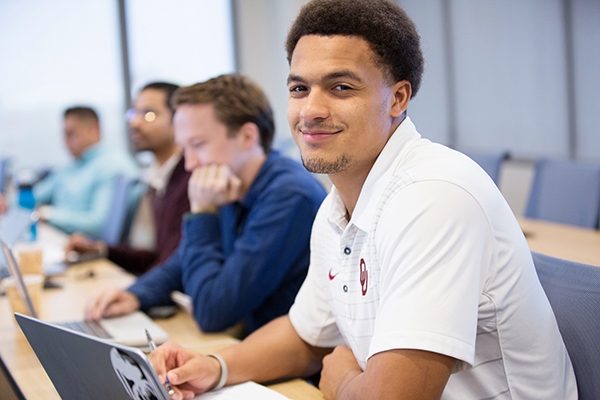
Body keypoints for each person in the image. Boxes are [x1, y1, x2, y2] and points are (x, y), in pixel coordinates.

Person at [147, 1, 577, 399]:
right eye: (299, 89)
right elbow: (306, 335)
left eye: (340, 87)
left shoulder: (433, 196)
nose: (310, 110)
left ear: (398, 97)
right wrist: (214, 365)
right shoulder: (335, 208)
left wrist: (340, 382)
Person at [85, 74, 327, 337]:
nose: (189, 164)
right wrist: (136, 294)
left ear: (247, 136)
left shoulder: (289, 196)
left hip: (289, 367)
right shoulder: (233, 182)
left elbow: (212, 312)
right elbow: (181, 260)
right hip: (247, 345)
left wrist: (202, 214)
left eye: (198, 145)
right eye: (184, 148)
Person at [66, 82, 191, 275]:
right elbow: (159, 255)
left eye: (149, 114)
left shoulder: (190, 181)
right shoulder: (159, 178)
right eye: (134, 113)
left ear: (179, 120)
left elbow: (173, 264)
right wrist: (102, 250)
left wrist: (134, 293)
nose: (135, 122)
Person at [25, 106, 138, 237]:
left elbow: (99, 225)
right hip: (58, 238)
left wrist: (47, 215)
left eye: (70, 134)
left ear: (93, 129)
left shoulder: (113, 166)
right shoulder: (72, 166)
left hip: (82, 246)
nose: (65, 143)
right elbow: (35, 196)